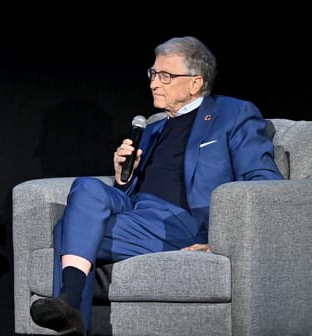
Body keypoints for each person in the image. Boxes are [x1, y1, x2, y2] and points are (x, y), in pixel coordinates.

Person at [29, 36, 283, 335]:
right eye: (153, 74)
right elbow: (130, 191)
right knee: (85, 187)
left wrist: (226, 239)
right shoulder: (152, 128)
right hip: (137, 212)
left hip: (181, 221)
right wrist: (123, 176)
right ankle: (71, 306)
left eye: (165, 76)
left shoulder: (233, 114)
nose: (153, 83)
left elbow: (265, 186)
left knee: (66, 230)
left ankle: (70, 312)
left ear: (195, 82)